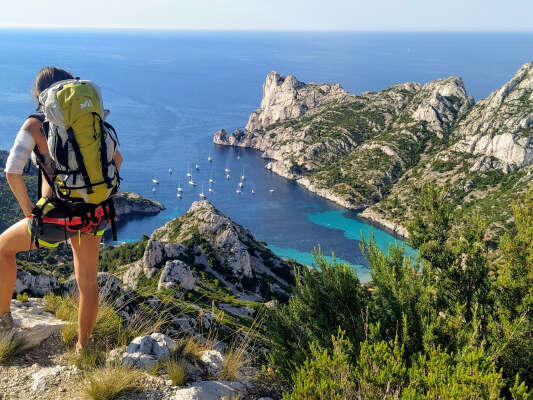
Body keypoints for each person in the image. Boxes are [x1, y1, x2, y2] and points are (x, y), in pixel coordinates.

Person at [0, 66, 123, 352]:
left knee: (3, 249)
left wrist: (30, 211)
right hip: (92, 215)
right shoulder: (89, 121)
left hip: (54, 218)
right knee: (88, 283)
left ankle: (4, 324)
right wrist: (98, 194)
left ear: (39, 94)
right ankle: (83, 347)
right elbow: (117, 159)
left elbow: (12, 171)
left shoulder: (35, 124)